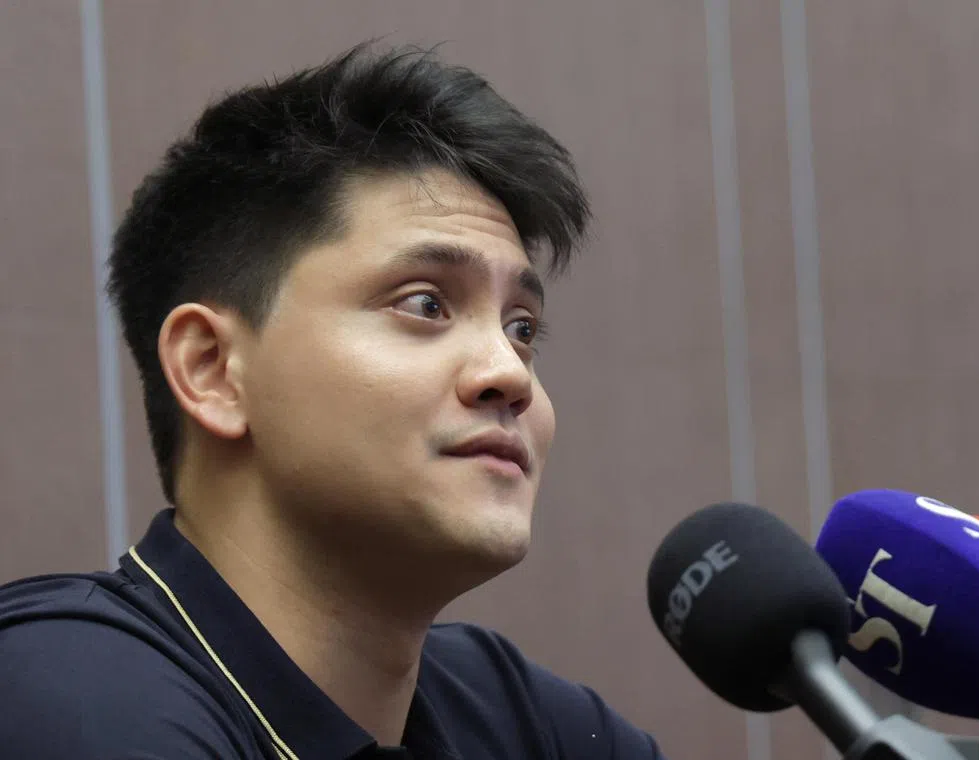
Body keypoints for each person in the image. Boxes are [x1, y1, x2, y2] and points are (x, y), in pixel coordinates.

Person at [0, 41, 665, 759]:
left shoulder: (517, 718)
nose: (510, 373)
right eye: (426, 304)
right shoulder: (73, 688)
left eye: (523, 328)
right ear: (213, 370)